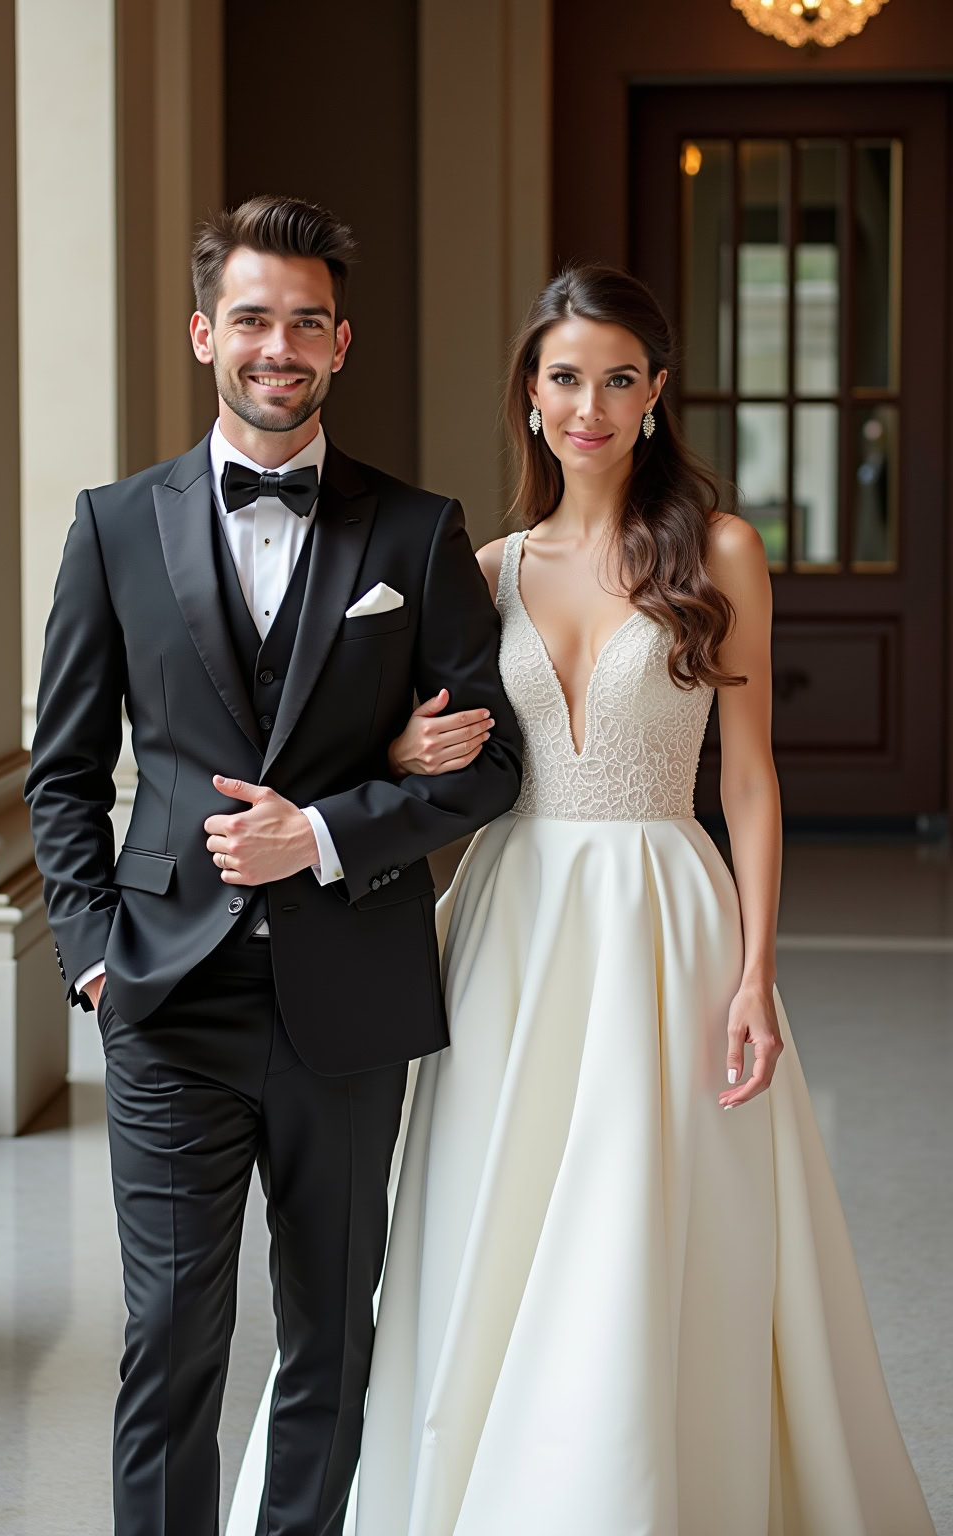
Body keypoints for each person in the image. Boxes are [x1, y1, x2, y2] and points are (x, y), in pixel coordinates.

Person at [352, 265, 936, 1535]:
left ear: (657, 393)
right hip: (512, 918)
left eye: (619, 380)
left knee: (638, 1213)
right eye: (565, 378)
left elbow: (751, 778)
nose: (590, 407)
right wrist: (399, 751)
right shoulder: (486, 567)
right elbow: (430, 753)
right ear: (530, 393)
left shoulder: (719, 550)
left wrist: (756, 972)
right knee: (495, 1207)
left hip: (665, 918)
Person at [24, 194, 522, 1536]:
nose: (278, 348)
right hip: (165, 996)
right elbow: (62, 773)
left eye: (307, 323)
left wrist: (325, 831)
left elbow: (490, 766)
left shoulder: (416, 532)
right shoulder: (112, 526)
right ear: (205, 333)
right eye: (252, 319)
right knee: (167, 1337)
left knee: (330, 1337)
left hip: (348, 996)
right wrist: (94, 963)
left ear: (341, 343)